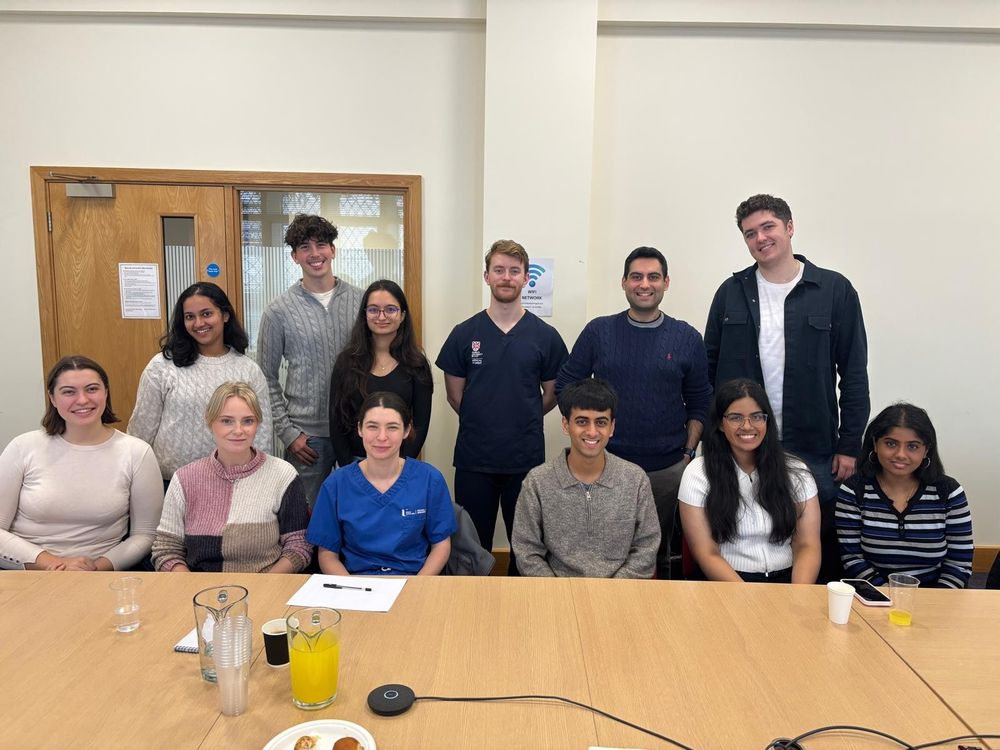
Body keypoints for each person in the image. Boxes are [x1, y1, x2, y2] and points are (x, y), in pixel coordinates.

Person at [704, 193, 869, 582]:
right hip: (741, 442)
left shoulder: (834, 290)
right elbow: (709, 370)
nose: (760, 238)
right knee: (742, 534)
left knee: (815, 542)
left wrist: (849, 445)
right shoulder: (731, 293)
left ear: (789, 228)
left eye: (768, 227)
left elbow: (855, 373)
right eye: (750, 233)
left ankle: (807, 620)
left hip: (812, 445)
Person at [556, 246, 711, 577]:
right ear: (623, 282)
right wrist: (586, 436)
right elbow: (567, 384)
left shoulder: (686, 338)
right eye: (636, 277)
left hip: (667, 470)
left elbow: (700, 401)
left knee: (658, 554)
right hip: (605, 467)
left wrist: (686, 454)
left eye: (653, 277)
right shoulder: (599, 332)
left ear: (666, 282)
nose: (645, 284)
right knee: (600, 551)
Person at [436, 239, 568, 575]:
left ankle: (520, 609)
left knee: (525, 543)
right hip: (474, 459)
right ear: (487, 276)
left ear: (526, 278)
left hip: (524, 459)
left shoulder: (545, 336)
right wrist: (486, 419)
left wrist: (521, 418)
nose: (506, 277)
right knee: (470, 541)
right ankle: (470, 607)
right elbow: (455, 396)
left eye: (514, 271)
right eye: (499, 270)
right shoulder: (464, 334)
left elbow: (553, 392)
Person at [0, 355, 163, 571]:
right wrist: (56, 565)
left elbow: (145, 535)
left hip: (99, 575)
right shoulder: (23, 447)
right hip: (25, 572)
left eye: (92, 389)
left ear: (106, 393)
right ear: (53, 398)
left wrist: (95, 568)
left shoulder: (137, 452)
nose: (83, 400)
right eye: (69, 392)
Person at [258, 213, 363, 507]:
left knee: (356, 516)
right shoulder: (278, 312)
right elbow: (264, 376)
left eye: (321, 245)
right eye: (305, 247)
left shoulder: (361, 302)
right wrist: (288, 433)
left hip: (356, 430)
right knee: (305, 521)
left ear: (333, 250)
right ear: (294, 256)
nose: (315, 254)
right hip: (307, 439)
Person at [151, 382, 311, 573]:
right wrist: (190, 590)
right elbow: (166, 549)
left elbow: (298, 545)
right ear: (210, 421)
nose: (238, 430)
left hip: (266, 587)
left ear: (258, 423)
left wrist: (265, 585)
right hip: (198, 591)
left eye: (247, 421)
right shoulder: (184, 479)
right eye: (227, 421)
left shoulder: (283, 475)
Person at [512, 378, 659, 578]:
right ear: (566, 424)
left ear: (612, 427)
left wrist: (613, 591)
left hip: (620, 594)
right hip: (557, 594)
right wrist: (559, 592)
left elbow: (646, 546)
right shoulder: (537, 482)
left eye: (601, 422)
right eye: (582, 421)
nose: (591, 431)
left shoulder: (635, 480)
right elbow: (526, 550)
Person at [129, 282, 272, 486]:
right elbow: (141, 429)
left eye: (206, 314)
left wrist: (257, 477)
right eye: (190, 317)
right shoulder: (162, 367)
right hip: (169, 481)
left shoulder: (248, 369)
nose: (198, 323)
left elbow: (262, 432)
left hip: (232, 480)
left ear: (225, 315)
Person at [679, 378, 821, 583]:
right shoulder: (698, 474)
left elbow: (807, 545)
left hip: (788, 581)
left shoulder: (796, 471)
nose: (747, 426)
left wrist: (798, 595)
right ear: (720, 423)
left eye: (756, 417)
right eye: (736, 418)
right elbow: (706, 552)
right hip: (725, 582)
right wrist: (748, 598)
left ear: (767, 421)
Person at [307, 391, 456, 576]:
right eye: (372, 427)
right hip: (356, 584)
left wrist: (418, 587)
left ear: (407, 430)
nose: (382, 437)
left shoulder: (429, 479)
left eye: (392, 427)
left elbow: (441, 544)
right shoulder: (336, 485)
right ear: (360, 429)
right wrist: (354, 591)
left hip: (414, 581)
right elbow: (327, 554)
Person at [836, 403, 973, 589]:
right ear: (875, 444)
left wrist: (935, 602)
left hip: (937, 596)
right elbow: (852, 560)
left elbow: (959, 563)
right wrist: (890, 598)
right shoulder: (853, 491)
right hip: (875, 595)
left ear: (926, 450)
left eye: (912, 446)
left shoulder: (948, 492)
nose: (901, 454)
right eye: (891, 444)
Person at [329, 280, 432, 468]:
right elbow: (336, 422)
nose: (382, 316)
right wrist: (348, 469)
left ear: (402, 316)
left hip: (399, 465)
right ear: (364, 315)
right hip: (355, 463)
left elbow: (421, 424)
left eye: (391, 309)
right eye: (374, 309)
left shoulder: (417, 365)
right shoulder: (346, 362)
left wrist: (403, 465)